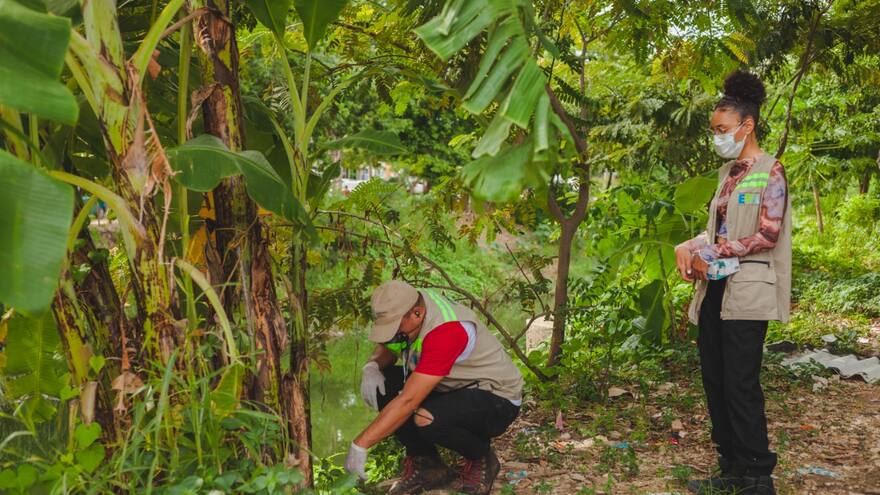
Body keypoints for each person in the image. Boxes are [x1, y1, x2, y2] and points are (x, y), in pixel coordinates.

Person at [675, 70, 791, 495]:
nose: (717, 137)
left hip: (749, 289)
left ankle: (757, 475)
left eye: (722, 130)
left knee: (741, 382)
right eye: (714, 131)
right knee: (716, 378)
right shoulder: (727, 173)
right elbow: (718, 231)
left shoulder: (770, 171)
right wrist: (690, 245)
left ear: (747, 125)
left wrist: (713, 252)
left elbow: (767, 235)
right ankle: (730, 466)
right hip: (716, 289)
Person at [344, 280, 523, 495]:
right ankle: (427, 465)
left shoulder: (446, 331)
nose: (393, 333)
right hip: (451, 385)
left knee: (426, 418)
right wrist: (372, 366)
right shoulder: (412, 302)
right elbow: (390, 345)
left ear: (417, 314)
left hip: (496, 397)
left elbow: (409, 401)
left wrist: (360, 444)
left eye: (395, 326)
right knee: (383, 382)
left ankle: (481, 457)